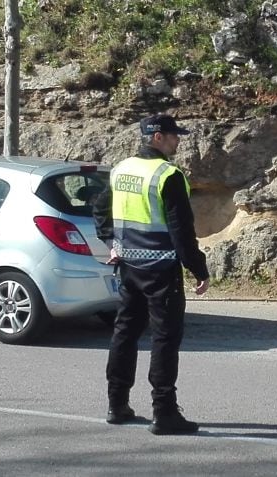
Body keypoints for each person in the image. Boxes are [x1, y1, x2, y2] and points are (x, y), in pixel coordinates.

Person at [93, 113, 210, 435]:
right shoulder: (167, 174)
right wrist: (199, 268)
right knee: (165, 339)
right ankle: (165, 412)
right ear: (157, 137)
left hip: (129, 267)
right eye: (174, 135)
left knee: (125, 333)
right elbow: (181, 231)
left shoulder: (122, 169)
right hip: (161, 269)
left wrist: (111, 243)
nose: (177, 141)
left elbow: (99, 209)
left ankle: (117, 404)